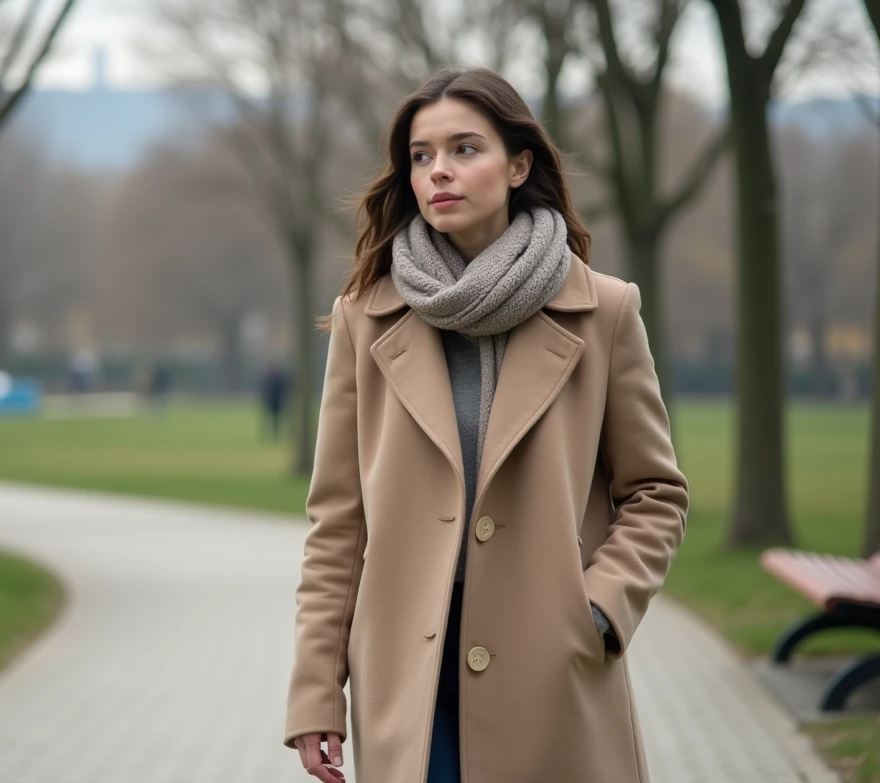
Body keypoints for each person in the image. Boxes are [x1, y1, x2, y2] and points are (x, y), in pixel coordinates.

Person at [283, 67, 689, 783]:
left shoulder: (606, 313)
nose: (439, 170)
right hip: (407, 672)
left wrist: (594, 611)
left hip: (550, 669)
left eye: (465, 149)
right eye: (421, 155)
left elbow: (656, 493)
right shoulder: (363, 317)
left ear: (518, 164)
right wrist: (317, 693)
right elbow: (337, 525)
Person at [260, 359, 291, 441]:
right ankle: (268, 434)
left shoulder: (279, 377)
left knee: (278, 419)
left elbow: (284, 388)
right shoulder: (267, 377)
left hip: (278, 400)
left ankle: (277, 433)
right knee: (268, 418)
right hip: (270, 401)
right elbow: (264, 389)